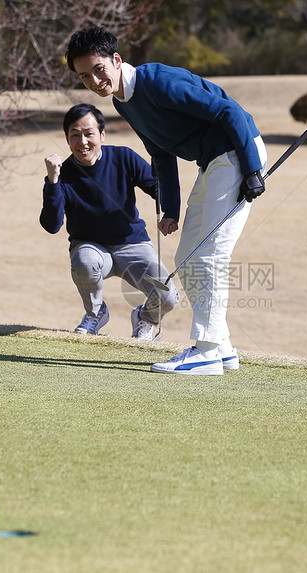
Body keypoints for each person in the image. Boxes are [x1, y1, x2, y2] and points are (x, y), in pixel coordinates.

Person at [66, 27, 268, 376]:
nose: (95, 81)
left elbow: (228, 112)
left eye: (99, 69)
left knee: (209, 255)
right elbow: (159, 151)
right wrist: (170, 209)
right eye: (85, 76)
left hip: (236, 153)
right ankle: (222, 348)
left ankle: (205, 351)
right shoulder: (121, 101)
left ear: (116, 60)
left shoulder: (157, 81)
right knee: (187, 255)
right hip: (213, 162)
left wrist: (251, 168)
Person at [39, 103, 178, 339]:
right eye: (75, 135)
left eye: (88, 134)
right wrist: (52, 181)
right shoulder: (62, 175)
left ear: (102, 135)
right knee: (84, 261)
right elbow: (52, 225)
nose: (82, 142)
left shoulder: (123, 157)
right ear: (67, 139)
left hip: (134, 246)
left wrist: (169, 208)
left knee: (167, 295)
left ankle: (145, 319)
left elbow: (158, 189)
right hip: (91, 247)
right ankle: (95, 314)